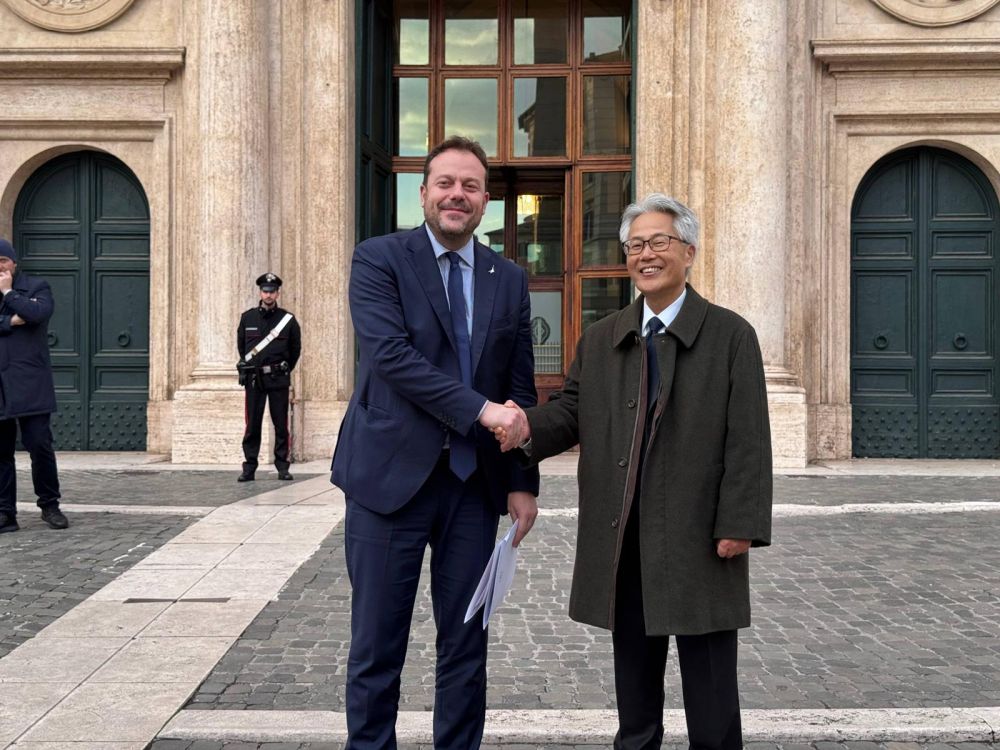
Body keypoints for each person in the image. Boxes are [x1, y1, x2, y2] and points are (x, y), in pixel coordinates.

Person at [496, 194, 773, 750]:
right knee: (636, 694)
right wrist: (523, 427)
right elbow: (571, 412)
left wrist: (738, 522)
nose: (647, 254)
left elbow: (749, 441)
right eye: (636, 245)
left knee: (713, 692)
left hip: (701, 536)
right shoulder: (603, 337)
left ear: (688, 251)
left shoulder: (730, 335)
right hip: (624, 535)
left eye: (660, 242)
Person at [331, 135, 539, 749]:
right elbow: (391, 358)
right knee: (376, 647)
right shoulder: (379, 259)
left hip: (473, 489)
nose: (457, 195)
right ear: (422, 194)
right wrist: (480, 411)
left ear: (485, 203)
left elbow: (519, 386)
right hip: (385, 481)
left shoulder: (510, 278)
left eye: (470, 186)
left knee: (466, 647)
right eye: (445, 183)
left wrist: (523, 482)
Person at [0, 238, 69, 533]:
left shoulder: (37, 286)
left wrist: (8, 293)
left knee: (40, 446)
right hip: (0, 384)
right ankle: (5, 513)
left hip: (31, 382)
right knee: (1, 452)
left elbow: (38, 314)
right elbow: (25, 316)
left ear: (14, 263)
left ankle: (50, 505)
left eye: (3, 261)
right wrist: (10, 321)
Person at [236, 272, 301, 482]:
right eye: (265, 291)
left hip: (278, 379)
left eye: (272, 292)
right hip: (254, 379)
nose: (268, 295)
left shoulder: (288, 320)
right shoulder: (248, 318)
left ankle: (282, 466)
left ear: (278, 293)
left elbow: (295, 349)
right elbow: (241, 346)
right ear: (260, 292)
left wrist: (282, 369)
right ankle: (249, 467)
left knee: (281, 424)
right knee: (252, 425)